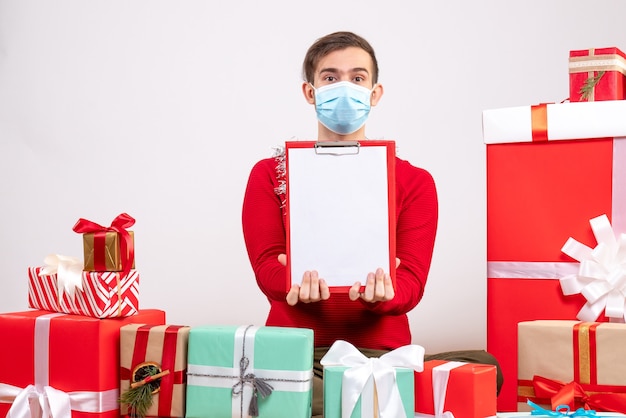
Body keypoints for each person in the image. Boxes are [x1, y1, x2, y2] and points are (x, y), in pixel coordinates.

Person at [241, 31, 502, 417]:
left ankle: (351, 399)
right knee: (307, 395)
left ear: (375, 93)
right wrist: (294, 283)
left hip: (382, 356)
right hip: (299, 356)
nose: (344, 87)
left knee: (485, 368)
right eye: (330, 77)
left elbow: (411, 283)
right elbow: (266, 268)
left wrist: (384, 296)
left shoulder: (415, 182)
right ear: (310, 92)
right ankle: (359, 402)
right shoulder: (269, 175)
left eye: (357, 78)